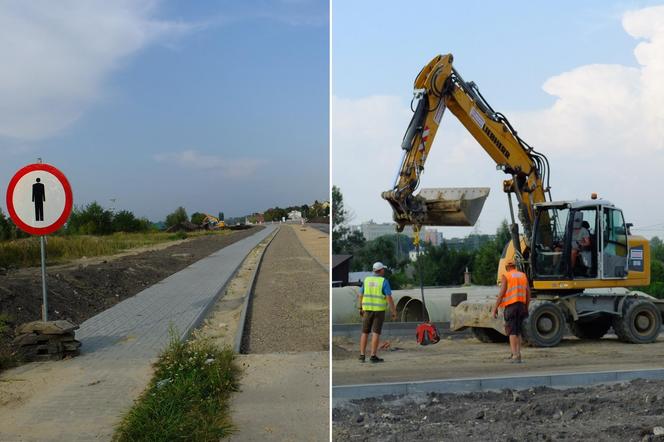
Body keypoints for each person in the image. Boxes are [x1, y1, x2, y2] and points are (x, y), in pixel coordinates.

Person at [492, 260, 530, 363]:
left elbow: (502, 293)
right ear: (515, 266)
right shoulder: (522, 275)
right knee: (518, 331)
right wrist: (526, 307)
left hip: (511, 307)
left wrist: (495, 308)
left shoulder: (506, 276)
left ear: (507, 267)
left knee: (512, 331)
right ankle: (518, 354)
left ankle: (515, 356)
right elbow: (528, 294)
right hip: (521, 306)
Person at [358, 262, 397, 363]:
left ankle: (362, 355)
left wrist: (360, 308)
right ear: (380, 270)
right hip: (378, 312)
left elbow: (361, 295)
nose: (384, 270)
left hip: (367, 310)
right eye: (383, 269)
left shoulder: (366, 280)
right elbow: (389, 297)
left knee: (364, 332)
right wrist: (393, 311)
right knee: (376, 333)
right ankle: (373, 356)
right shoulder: (384, 281)